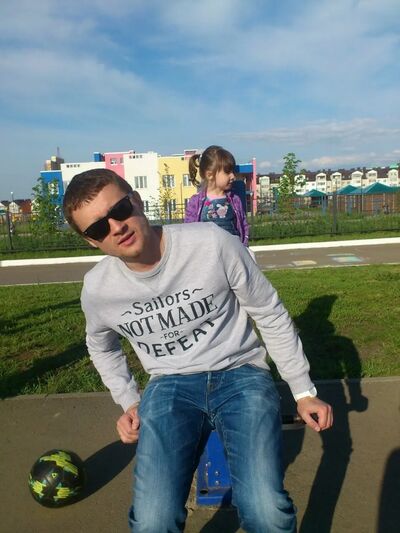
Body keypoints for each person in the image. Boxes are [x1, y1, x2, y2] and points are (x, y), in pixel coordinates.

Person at [63, 168, 333, 533]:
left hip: (240, 374)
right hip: (169, 385)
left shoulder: (210, 243)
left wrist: (303, 391)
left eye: (120, 210)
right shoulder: (98, 288)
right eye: (98, 228)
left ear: (136, 201)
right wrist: (128, 400)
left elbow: (268, 312)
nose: (116, 227)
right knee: (153, 520)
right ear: (91, 241)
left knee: (266, 510)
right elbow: (101, 346)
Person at [184, 145, 249, 246]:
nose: (232, 176)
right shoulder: (196, 202)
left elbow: (244, 226)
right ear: (210, 175)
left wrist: (244, 247)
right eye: (227, 172)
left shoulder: (234, 200)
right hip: (207, 252)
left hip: (231, 251)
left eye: (233, 172)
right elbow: (188, 231)